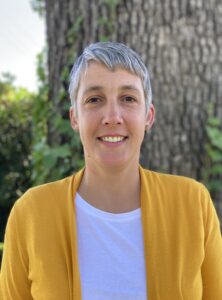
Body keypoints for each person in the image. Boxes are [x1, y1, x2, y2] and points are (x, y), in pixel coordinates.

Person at [1, 42, 222, 300]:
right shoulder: (31, 214)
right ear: (75, 118)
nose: (112, 116)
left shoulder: (193, 204)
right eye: (94, 100)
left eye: (128, 99)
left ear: (148, 116)